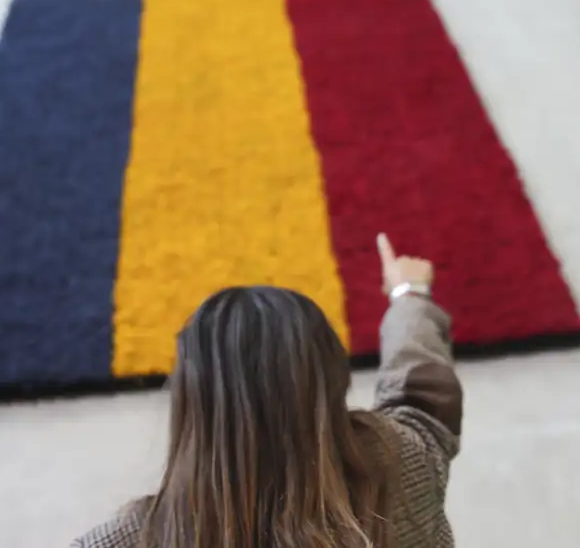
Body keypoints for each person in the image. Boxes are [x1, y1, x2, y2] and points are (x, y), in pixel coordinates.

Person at [72, 233, 463, 548]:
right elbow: (422, 390)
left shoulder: (139, 537)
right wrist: (408, 295)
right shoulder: (406, 462)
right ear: (333, 381)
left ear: (190, 404)